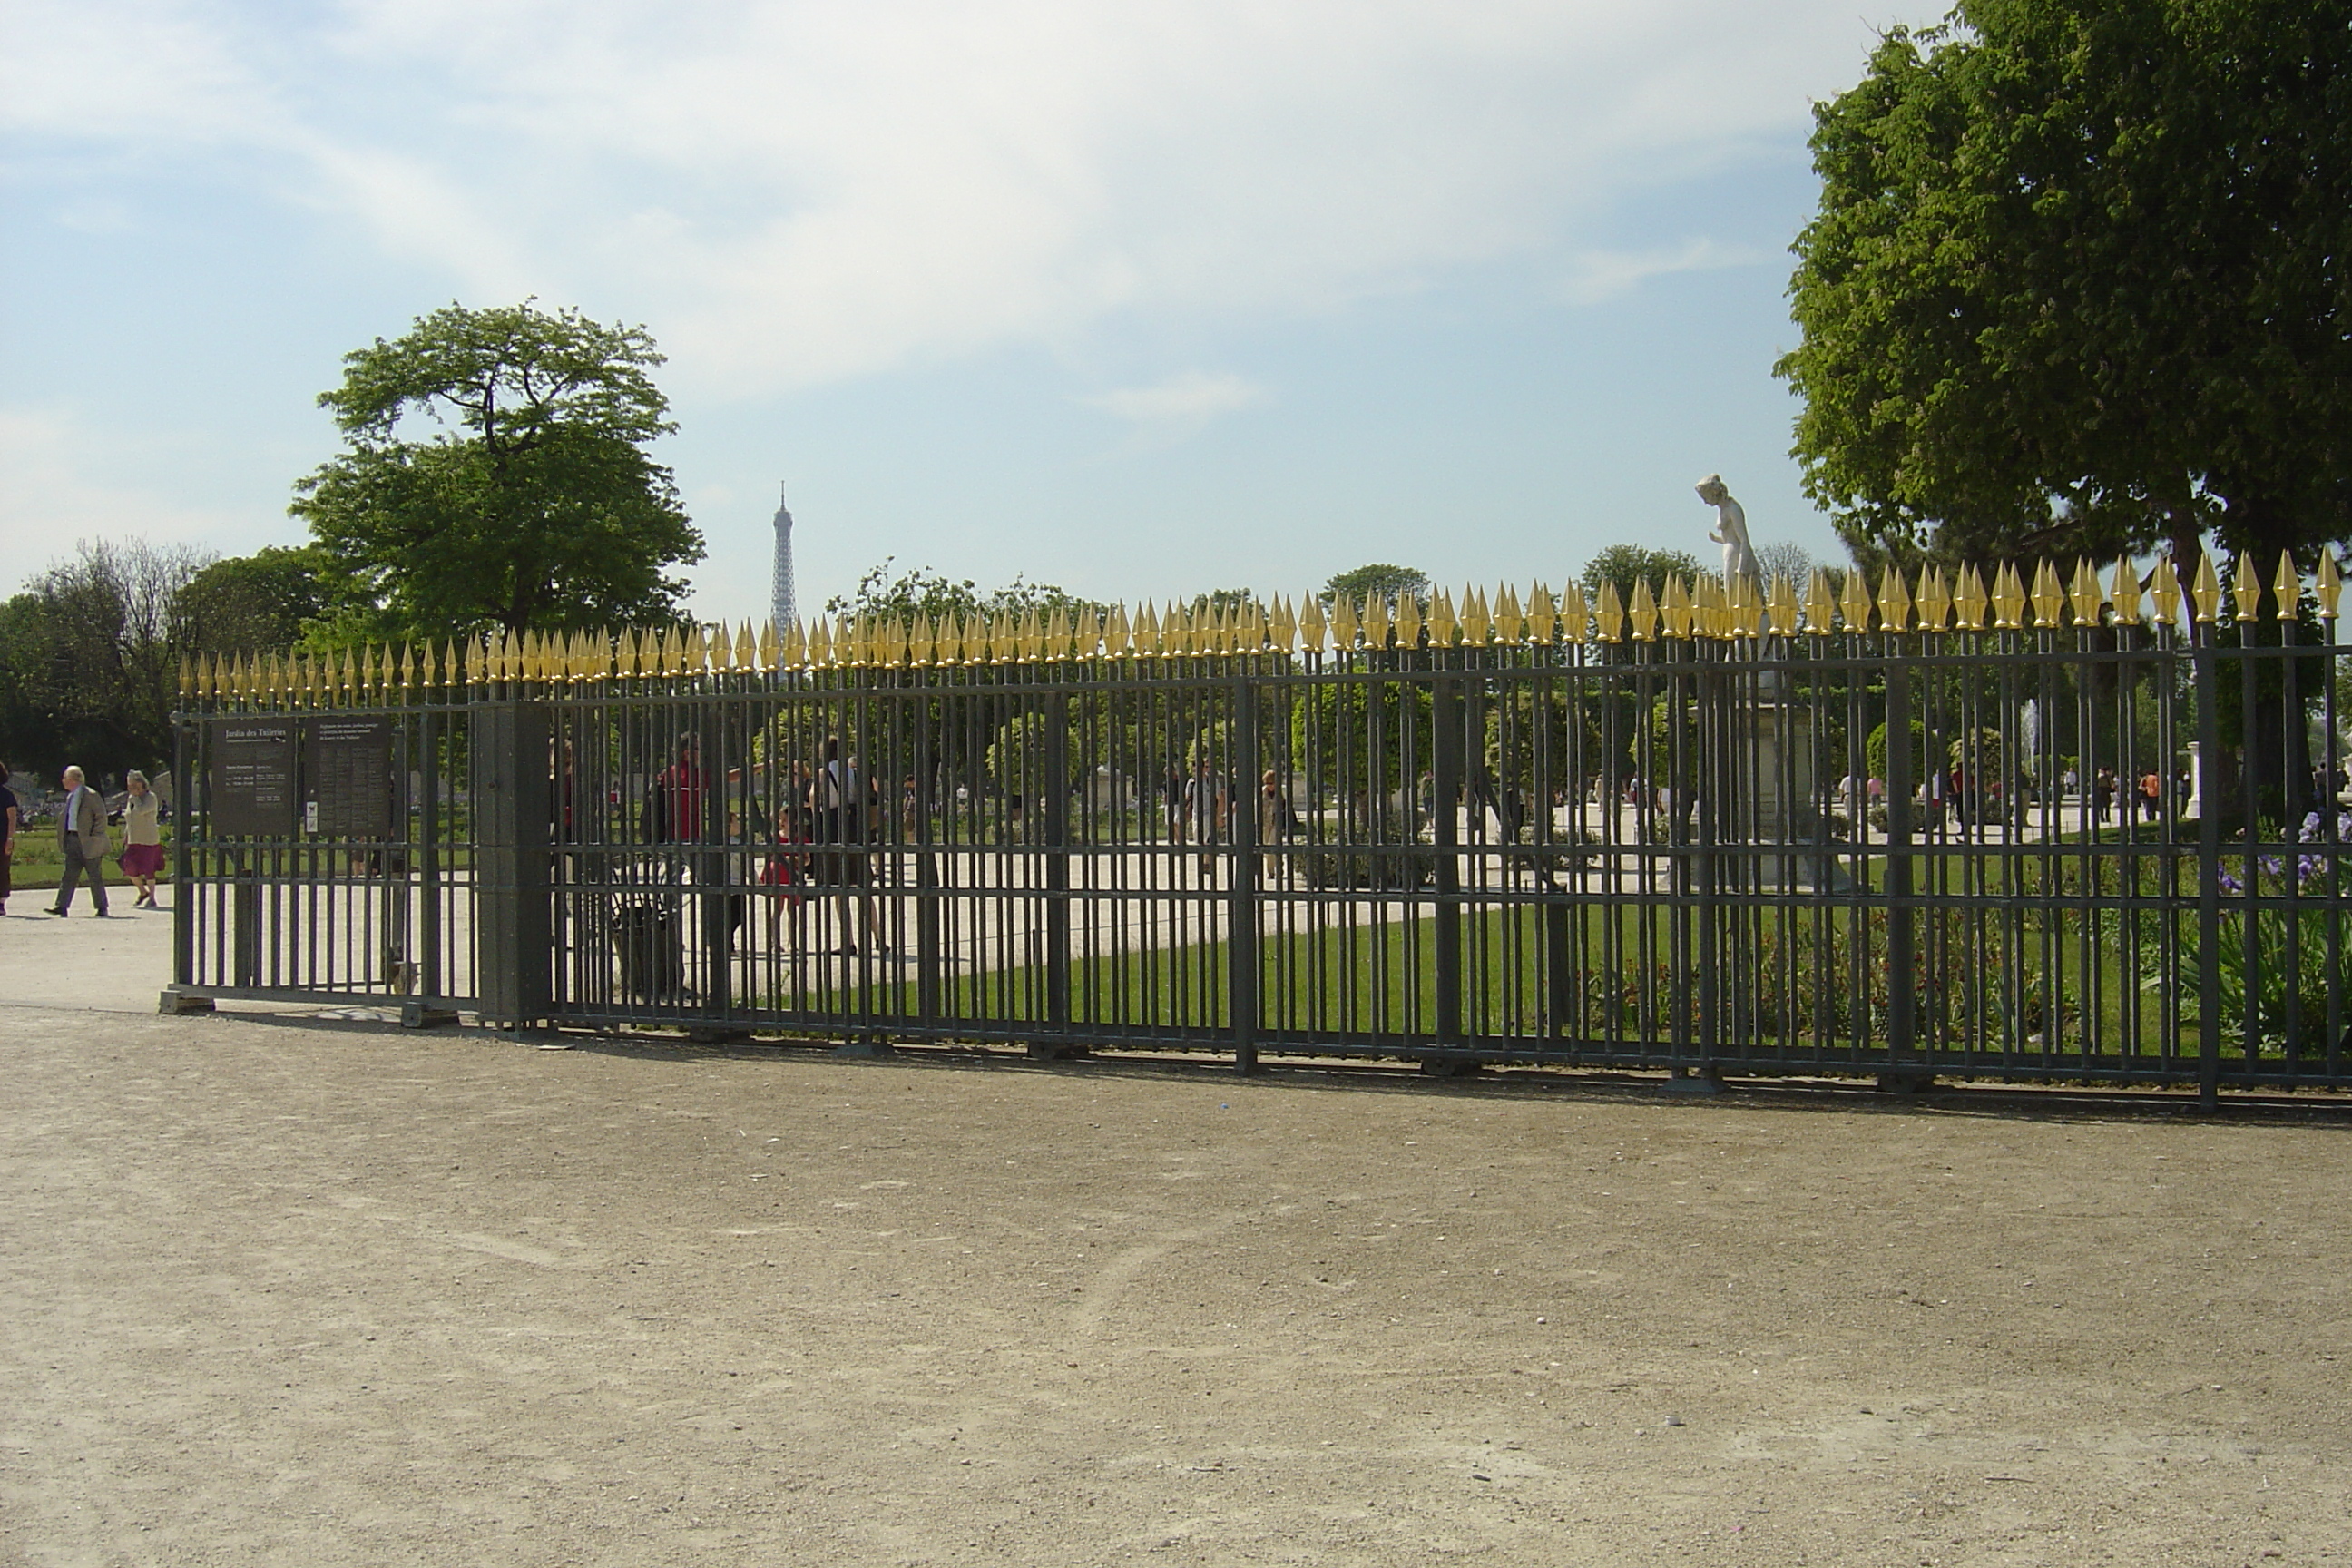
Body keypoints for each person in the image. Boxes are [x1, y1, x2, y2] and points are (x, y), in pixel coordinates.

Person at [48, 764, 110, 917]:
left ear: (74, 779)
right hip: (72, 839)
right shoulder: (71, 796)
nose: (63, 781)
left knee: (94, 875)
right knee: (69, 874)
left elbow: (101, 816)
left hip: (88, 841)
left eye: (65, 778)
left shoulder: (91, 795)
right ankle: (61, 906)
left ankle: (101, 907)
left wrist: (94, 835)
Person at [119, 769, 164, 908]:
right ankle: (142, 891)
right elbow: (129, 818)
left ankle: (152, 897)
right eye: (130, 786)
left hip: (148, 840)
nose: (132, 789)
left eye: (135, 786)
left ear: (143, 785)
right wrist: (126, 836)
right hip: (134, 839)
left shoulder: (150, 798)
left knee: (148, 869)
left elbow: (141, 811)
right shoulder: (131, 799)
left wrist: (136, 798)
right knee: (129, 868)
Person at [0, 760, 16, 917]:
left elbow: (12, 818)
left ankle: (1, 902)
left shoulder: (6, 795)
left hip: (2, 838)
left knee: (2, 870)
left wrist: (10, 838)